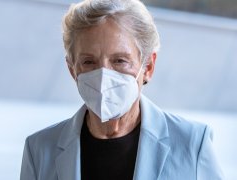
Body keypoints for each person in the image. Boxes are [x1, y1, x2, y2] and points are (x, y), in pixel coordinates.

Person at [20, 0, 224, 179]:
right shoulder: (39, 150)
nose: (103, 75)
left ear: (148, 67)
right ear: (72, 69)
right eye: (89, 62)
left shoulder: (193, 144)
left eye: (120, 61)